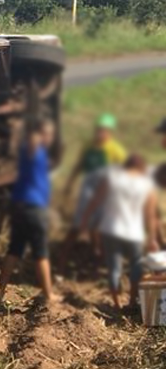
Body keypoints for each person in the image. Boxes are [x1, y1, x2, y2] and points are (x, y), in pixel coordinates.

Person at [80, 154, 159, 310]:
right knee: (136, 266)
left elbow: (95, 201)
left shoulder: (112, 178)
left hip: (110, 229)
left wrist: (85, 221)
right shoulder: (147, 185)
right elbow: (150, 215)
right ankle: (131, 302)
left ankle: (116, 303)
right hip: (134, 233)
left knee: (114, 267)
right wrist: (152, 238)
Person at [0, 119, 58, 303]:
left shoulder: (34, 153)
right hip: (33, 208)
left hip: (20, 206)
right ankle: (49, 295)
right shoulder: (34, 150)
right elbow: (32, 140)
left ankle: (0, 292)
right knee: (41, 252)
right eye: (48, 134)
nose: (51, 138)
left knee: (14, 249)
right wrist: (37, 132)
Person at [59, 113, 127, 269]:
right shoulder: (88, 145)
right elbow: (79, 165)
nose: (100, 133)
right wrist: (69, 184)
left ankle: (98, 260)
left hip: (106, 193)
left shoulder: (115, 149)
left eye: (104, 130)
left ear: (110, 132)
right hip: (87, 191)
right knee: (77, 225)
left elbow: (126, 172)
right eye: (99, 129)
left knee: (101, 229)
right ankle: (62, 262)